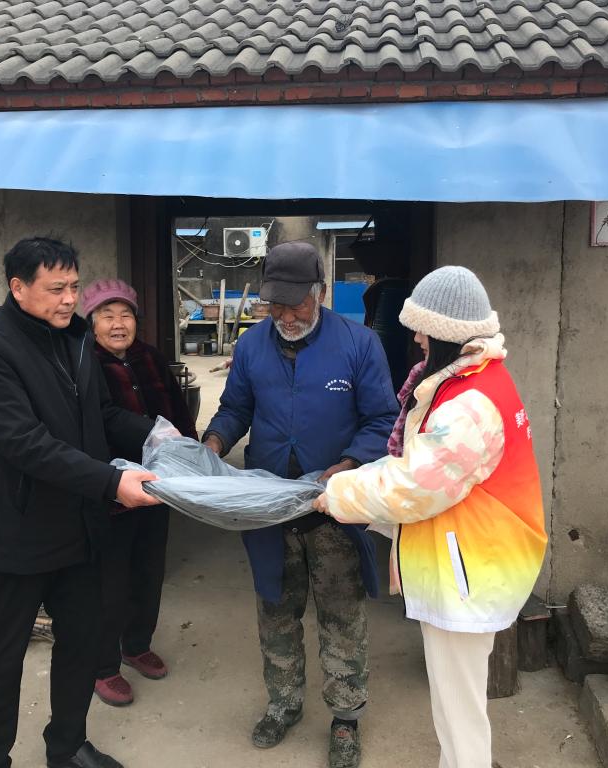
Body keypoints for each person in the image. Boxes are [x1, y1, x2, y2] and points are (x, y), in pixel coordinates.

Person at [314, 266, 548, 768]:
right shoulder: (478, 379)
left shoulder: (468, 406)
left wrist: (338, 494)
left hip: (469, 569)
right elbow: (420, 467)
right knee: (459, 705)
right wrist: (355, 483)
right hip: (477, 557)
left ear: (446, 333)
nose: (415, 338)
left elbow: (416, 487)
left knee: (458, 712)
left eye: (422, 329)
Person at [0, 237, 159, 768]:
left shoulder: (76, 340)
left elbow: (101, 414)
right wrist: (111, 483)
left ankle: (67, 747)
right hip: (17, 533)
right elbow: (25, 443)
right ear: (18, 287)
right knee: (1, 655)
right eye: (55, 289)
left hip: (80, 527)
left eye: (73, 286)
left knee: (82, 644)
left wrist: (159, 435)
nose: (70, 299)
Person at [201, 241, 398, 768]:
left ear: (320, 293)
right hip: (269, 507)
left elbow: (383, 420)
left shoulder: (358, 344)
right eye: (275, 305)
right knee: (276, 611)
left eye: (296, 305)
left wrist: (349, 463)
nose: (285, 316)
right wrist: (214, 442)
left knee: (342, 615)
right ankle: (283, 704)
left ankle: (345, 717)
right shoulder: (251, 347)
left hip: (333, 508)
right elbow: (235, 407)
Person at [79, 278, 199, 707]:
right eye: (107, 315)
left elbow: (177, 409)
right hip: (110, 488)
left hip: (158, 484)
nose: (118, 324)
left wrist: (190, 448)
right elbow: (98, 419)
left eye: (125, 314)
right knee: (109, 581)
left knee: (149, 570)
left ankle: (137, 645)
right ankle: (103, 666)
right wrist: (152, 434)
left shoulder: (149, 357)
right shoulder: (82, 363)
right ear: (91, 322)